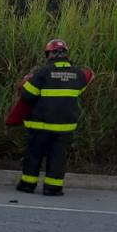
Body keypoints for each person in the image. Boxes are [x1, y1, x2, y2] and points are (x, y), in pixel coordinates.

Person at [14, 39, 93, 196]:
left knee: (34, 154)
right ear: (65, 54)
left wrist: (24, 81)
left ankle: (27, 185)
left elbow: (27, 96)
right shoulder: (77, 74)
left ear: (49, 54)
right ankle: (53, 188)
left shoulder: (42, 73)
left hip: (41, 125)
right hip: (65, 127)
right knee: (58, 156)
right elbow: (83, 85)